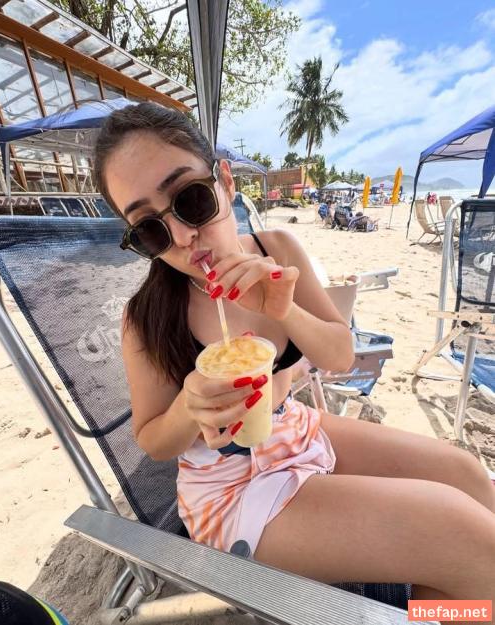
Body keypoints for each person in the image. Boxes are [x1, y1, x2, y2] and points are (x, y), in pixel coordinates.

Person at [94, 102, 495, 614]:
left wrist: (284, 310)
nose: (183, 237)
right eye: (150, 229)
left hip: (293, 428)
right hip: (229, 490)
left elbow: (340, 354)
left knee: (465, 476)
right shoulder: (146, 317)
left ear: (225, 182)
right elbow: (153, 440)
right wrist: (189, 407)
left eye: (191, 199)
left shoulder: (277, 249)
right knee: (461, 534)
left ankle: (442, 613)